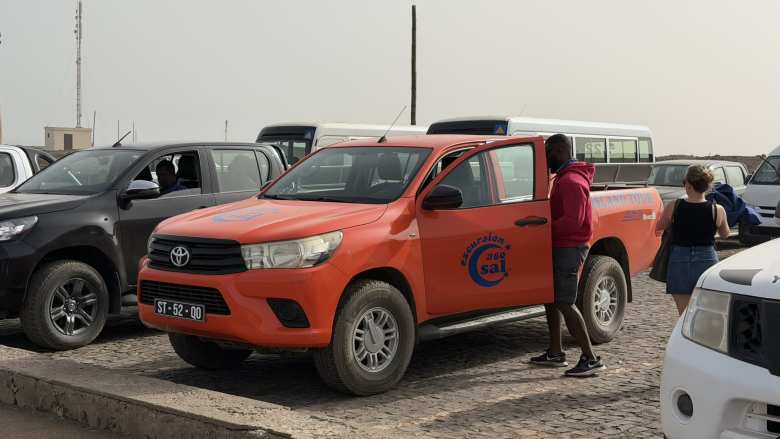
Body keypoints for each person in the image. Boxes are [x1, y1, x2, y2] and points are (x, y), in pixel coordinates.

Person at [530, 134, 606, 377]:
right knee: (551, 298)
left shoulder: (571, 181)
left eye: (547, 153)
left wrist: (543, 229)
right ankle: (555, 351)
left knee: (564, 301)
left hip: (569, 247)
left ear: (560, 151)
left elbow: (574, 221)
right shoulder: (564, 178)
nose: (545, 159)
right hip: (562, 245)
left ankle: (590, 358)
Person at [656, 165, 730, 315]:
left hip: (679, 259)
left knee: (684, 313)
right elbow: (725, 234)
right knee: (705, 311)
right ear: (707, 186)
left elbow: (660, 226)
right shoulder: (717, 210)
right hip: (707, 259)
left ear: (687, 185)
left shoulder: (675, 206)